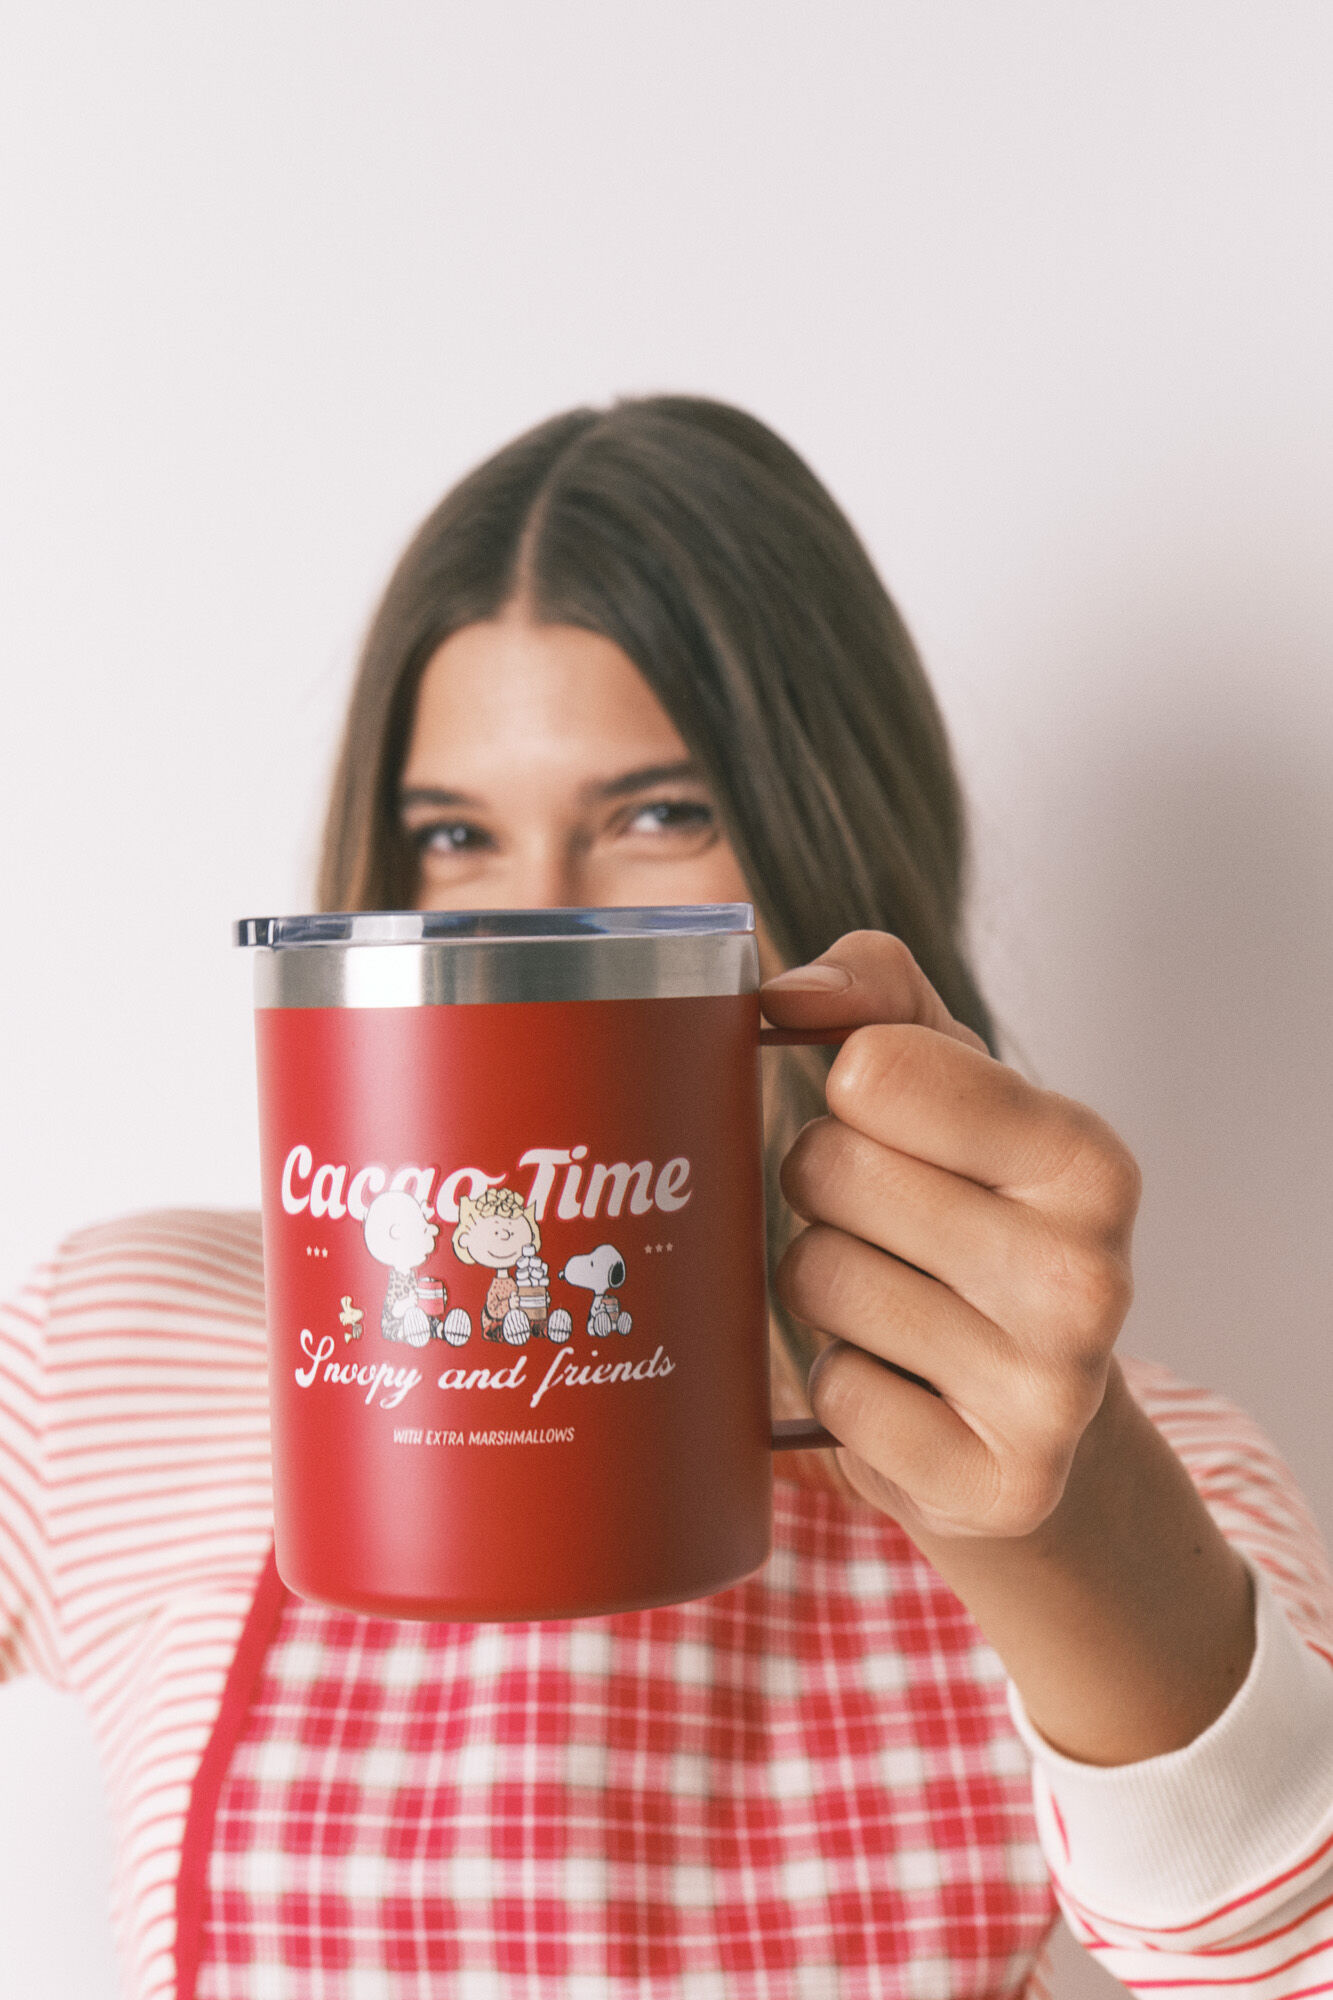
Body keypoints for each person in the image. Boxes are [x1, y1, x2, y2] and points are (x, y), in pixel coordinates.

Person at [3, 396, 1331, 2000]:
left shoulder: (1121, 1475)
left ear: (823, 839)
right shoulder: (126, 1349)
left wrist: (1068, 1535)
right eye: (455, 834)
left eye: (656, 814)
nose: (540, 921)